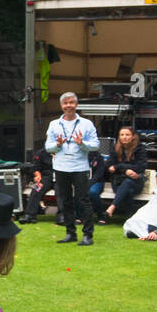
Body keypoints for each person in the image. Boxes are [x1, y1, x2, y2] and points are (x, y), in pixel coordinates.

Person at [44, 92, 100, 246]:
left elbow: (96, 145)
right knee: (65, 201)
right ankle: (70, 233)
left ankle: (88, 235)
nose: (68, 105)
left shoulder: (86, 123)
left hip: (79, 167)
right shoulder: (54, 124)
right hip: (61, 167)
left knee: (83, 200)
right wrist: (58, 145)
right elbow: (48, 148)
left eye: (71, 103)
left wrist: (82, 143)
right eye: (65, 103)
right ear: (61, 106)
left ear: (76, 105)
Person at [92, 126, 147, 223]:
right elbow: (109, 166)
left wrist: (118, 167)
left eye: (127, 135)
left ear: (133, 136)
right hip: (118, 182)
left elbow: (141, 166)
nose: (124, 137)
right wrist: (125, 170)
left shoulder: (140, 148)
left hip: (136, 182)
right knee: (128, 189)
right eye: (122, 135)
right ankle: (130, 218)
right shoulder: (115, 148)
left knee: (128, 182)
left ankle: (112, 208)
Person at [19, 145, 53, 224]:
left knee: (62, 192)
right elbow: (35, 167)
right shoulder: (41, 153)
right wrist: (38, 175)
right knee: (36, 189)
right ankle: (29, 215)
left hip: (61, 177)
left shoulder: (64, 153)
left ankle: (62, 216)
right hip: (45, 177)